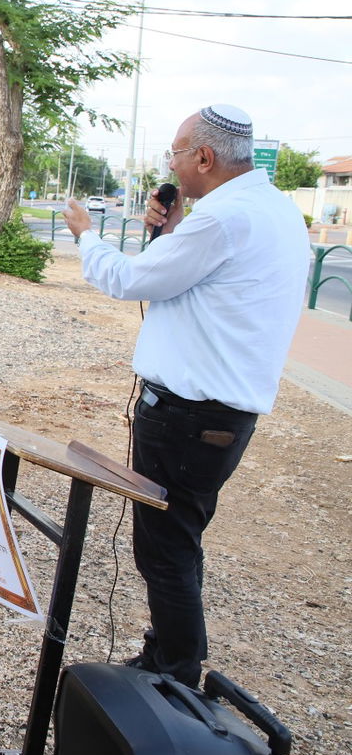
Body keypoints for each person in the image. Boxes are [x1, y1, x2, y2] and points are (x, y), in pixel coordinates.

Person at [62, 104, 310, 688]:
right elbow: (197, 282)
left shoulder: (222, 219)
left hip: (185, 416)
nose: (170, 165)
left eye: (175, 154)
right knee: (179, 538)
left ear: (203, 157)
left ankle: (173, 675)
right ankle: (172, 659)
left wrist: (86, 235)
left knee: (164, 548)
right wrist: (170, 233)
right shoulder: (273, 209)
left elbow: (130, 279)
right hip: (222, 415)